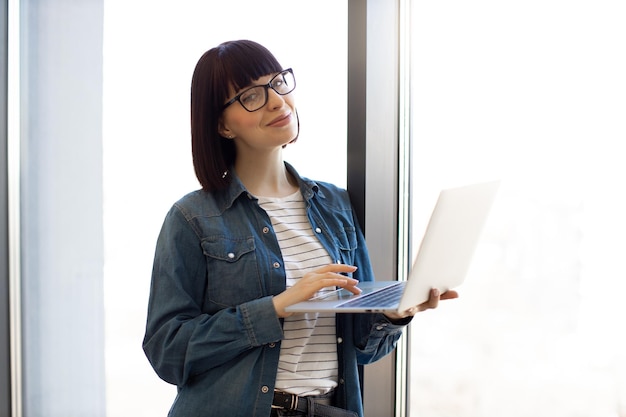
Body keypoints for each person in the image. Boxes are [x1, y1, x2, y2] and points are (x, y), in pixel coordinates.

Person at [142, 39, 458, 417]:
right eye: (250, 96)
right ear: (222, 125)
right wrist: (277, 307)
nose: (276, 101)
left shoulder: (335, 205)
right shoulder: (193, 217)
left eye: (278, 83)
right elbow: (167, 350)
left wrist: (394, 314)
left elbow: (363, 348)